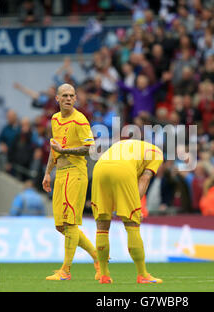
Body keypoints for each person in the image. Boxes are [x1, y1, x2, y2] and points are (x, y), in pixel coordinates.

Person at [42, 83, 100, 281]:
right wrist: (47, 173)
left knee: (70, 222)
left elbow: (89, 148)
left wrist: (65, 151)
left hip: (76, 173)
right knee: (61, 226)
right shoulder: (55, 119)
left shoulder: (80, 120)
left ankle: (66, 270)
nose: (68, 98)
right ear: (57, 99)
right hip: (60, 173)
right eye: (64, 95)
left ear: (75, 99)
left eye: (72, 95)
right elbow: (54, 147)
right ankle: (97, 256)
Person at [91, 139, 164, 284]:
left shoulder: (126, 145)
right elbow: (144, 178)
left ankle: (104, 275)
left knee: (102, 226)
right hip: (122, 169)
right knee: (132, 224)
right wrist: (136, 206)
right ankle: (142, 275)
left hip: (99, 168)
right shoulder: (157, 154)